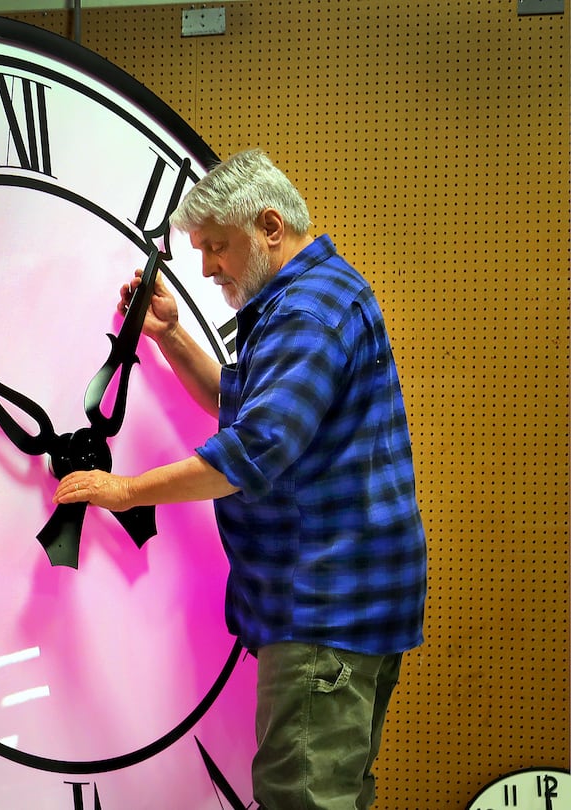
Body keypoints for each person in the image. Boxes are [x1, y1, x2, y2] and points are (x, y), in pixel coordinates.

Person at [54, 147, 427, 809]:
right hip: (349, 605)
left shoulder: (305, 315)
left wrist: (123, 491)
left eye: (217, 247)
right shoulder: (319, 295)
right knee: (337, 793)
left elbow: (253, 450)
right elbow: (244, 399)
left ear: (270, 227)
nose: (207, 267)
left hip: (323, 612)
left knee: (300, 798)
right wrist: (169, 335)